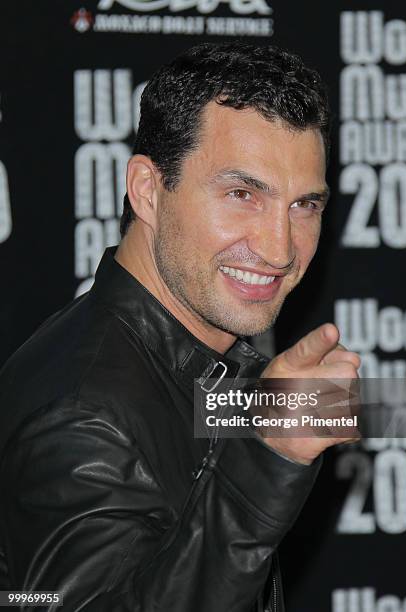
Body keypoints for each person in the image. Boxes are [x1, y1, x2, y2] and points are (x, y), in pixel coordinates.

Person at [0, 42, 360, 611]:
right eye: (242, 194)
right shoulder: (80, 413)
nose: (279, 247)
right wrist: (269, 459)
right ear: (148, 190)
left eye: (304, 205)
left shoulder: (195, 362)